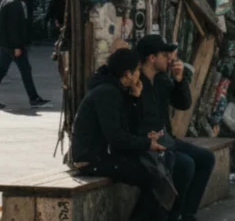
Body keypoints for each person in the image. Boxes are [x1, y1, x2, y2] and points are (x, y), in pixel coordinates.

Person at [71, 48, 167, 221]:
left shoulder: (116, 91)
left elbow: (127, 128)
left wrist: (135, 99)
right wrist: (147, 144)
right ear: (128, 74)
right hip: (91, 159)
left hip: (102, 155)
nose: (139, 74)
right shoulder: (107, 93)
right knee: (152, 179)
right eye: (137, 70)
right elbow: (116, 138)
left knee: (158, 170)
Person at [133, 34, 215, 221]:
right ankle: (173, 215)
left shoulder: (162, 79)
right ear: (152, 58)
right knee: (185, 164)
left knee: (206, 158)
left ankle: (187, 214)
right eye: (165, 55)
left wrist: (180, 80)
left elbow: (183, 104)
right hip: (148, 144)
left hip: (167, 139)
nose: (170, 58)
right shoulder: (136, 82)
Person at [0, 0, 51, 110]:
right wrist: (16, 46)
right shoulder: (14, 4)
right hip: (12, 45)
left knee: (3, 71)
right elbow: (13, 27)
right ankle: (33, 99)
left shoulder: (7, 1)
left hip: (6, 44)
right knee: (21, 70)